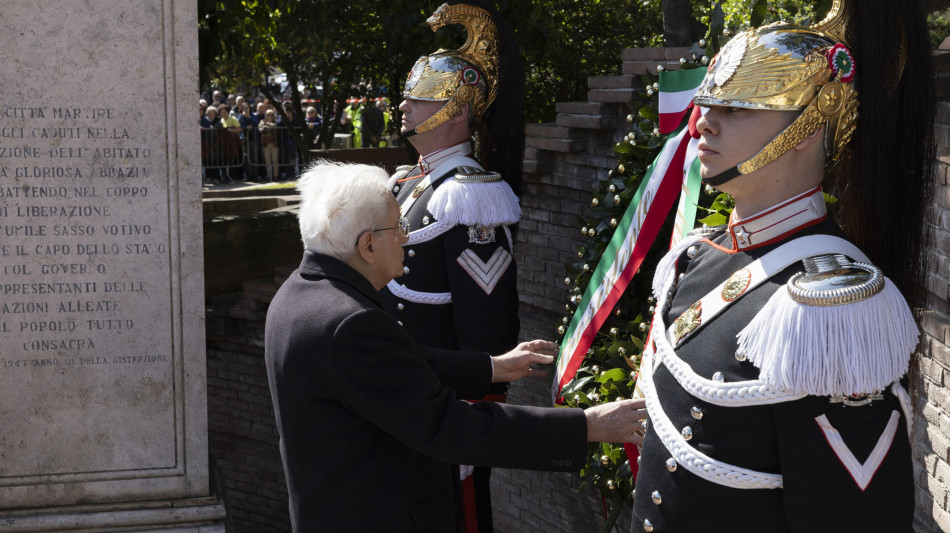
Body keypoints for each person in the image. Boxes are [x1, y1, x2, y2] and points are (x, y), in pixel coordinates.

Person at [631, 2, 934, 532]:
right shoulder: (698, 256)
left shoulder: (834, 304)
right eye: (707, 103)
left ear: (813, 123)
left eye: (739, 107)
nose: (704, 122)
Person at [264, 161, 648, 533]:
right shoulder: (351, 323)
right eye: (397, 225)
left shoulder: (298, 295)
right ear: (367, 245)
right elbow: (450, 427)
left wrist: (492, 367)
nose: (406, 235)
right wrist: (587, 425)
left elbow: (399, 366)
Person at [378, 3, 527, 529]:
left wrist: (472, 416)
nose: (404, 104)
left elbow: (486, 330)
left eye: (419, 98)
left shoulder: (469, 197)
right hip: (400, 398)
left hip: (443, 412)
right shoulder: (409, 184)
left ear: (457, 110)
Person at [258, 109, 280, 182]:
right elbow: (259, 129)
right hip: (266, 144)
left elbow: (277, 127)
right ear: (265, 116)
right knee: (267, 160)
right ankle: (268, 175)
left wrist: (270, 124)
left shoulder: (276, 121)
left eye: (272, 114)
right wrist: (263, 127)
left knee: (275, 160)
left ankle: (275, 175)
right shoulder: (262, 122)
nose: (270, 116)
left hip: (274, 143)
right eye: (268, 114)